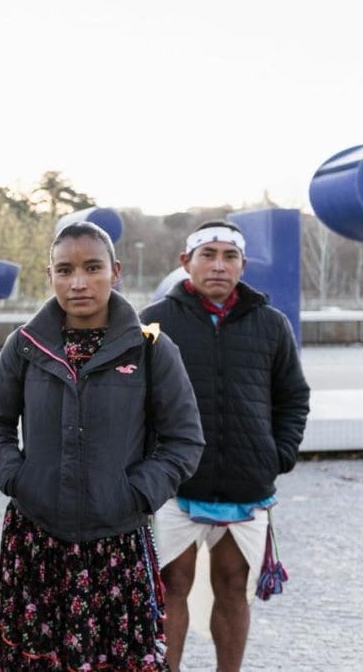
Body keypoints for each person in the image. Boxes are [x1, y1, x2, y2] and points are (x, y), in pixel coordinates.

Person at [0, 222, 206, 671]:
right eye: (65, 270)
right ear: (50, 275)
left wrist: (134, 494)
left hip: (115, 542)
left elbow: (184, 440)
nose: (78, 282)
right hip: (35, 540)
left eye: (92, 267)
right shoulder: (24, 346)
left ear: (115, 272)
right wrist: (17, 477)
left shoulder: (149, 349)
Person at [139, 220, 310, 672]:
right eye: (208, 254)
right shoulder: (154, 322)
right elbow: (131, 397)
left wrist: (279, 454)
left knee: (234, 586)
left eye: (229, 256)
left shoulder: (271, 324)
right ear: (185, 262)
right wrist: (146, 466)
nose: (218, 265)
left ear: (243, 265)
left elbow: (293, 397)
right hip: (176, 485)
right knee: (172, 584)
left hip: (246, 486)